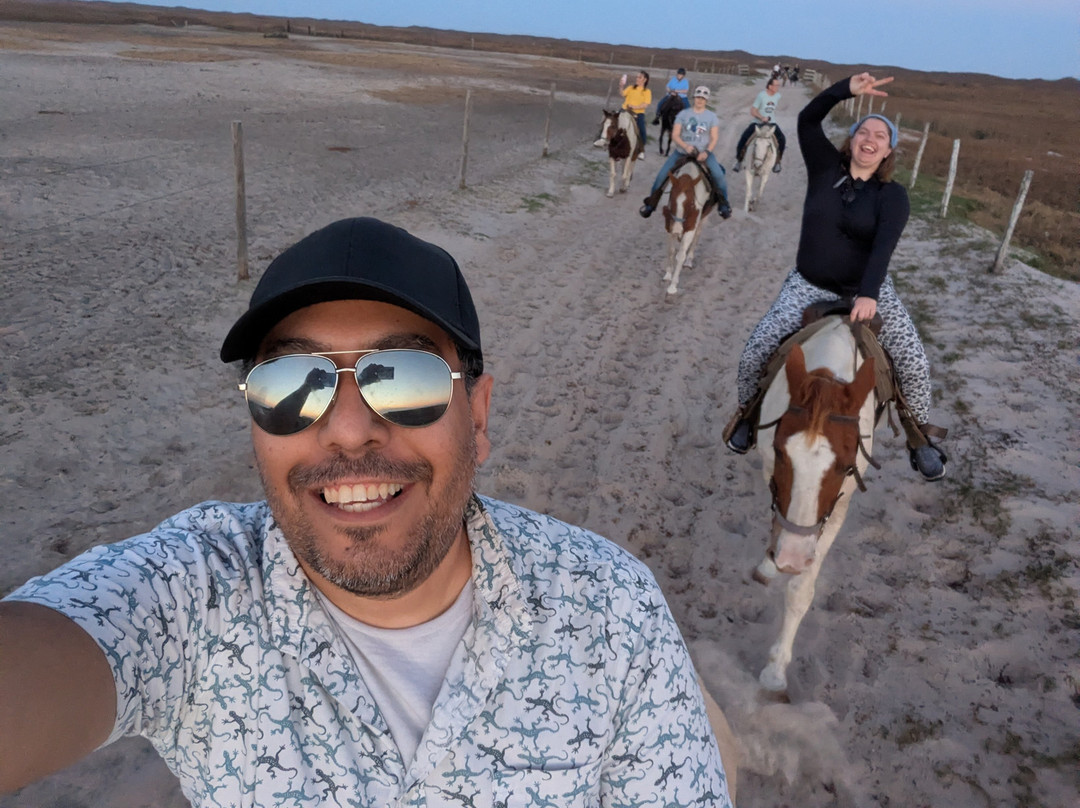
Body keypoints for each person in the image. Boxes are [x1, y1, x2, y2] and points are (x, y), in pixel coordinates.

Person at [0, 217, 734, 806]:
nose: (349, 429)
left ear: (476, 415)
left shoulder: (612, 607)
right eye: (291, 384)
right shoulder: (193, 591)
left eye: (404, 377)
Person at [724, 73, 948, 481]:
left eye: (881, 135)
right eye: (865, 130)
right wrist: (845, 90)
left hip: (868, 292)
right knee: (756, 349)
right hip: (807, 286)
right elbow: (808, 120)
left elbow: (883, 248)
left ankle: (919, 438)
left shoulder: (893, 196)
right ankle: (747, 415)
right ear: (853, 139)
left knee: (914, 363)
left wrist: (868, 294)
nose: (871, 138)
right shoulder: (825, 167)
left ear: (888, 150)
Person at [639, 85, 733, 220]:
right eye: (698, 97)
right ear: (694, 98)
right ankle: (651, 204)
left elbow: (714, 137)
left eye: (703, 98)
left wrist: (706, 152)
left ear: (706, 100)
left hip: (702, 153)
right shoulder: (683, 114)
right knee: (662, 175)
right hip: (682, 152)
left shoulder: (711, 117)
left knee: (718, 175)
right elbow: (675, 134)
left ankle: (723, 204)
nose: (700, 100)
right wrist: (685, 146)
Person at [732, 76, 786, 173]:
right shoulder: (761, 95)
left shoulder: (778, 96)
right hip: (758, 122)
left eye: (778, 85)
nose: (778, 87)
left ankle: (777, 162)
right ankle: (739, 161)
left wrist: (769, 117)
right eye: (776, 85)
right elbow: (753, 111)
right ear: (770, 86)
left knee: (782, 139)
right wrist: (761, 117)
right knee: (744, 138)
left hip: (772, 123)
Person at [619, 69, 651, 157]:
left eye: (639, 77)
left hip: (637, 113)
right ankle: (603, 139)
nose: (637, 79)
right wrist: (621, 86)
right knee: (610, 120)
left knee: (642, 130)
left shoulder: (647, 92)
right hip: (625, 109)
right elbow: (622, 94)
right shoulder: (630, 88)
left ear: (645, 80)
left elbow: (646, 104)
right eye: (637, 77)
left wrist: (634, 107)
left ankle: (641, 150)